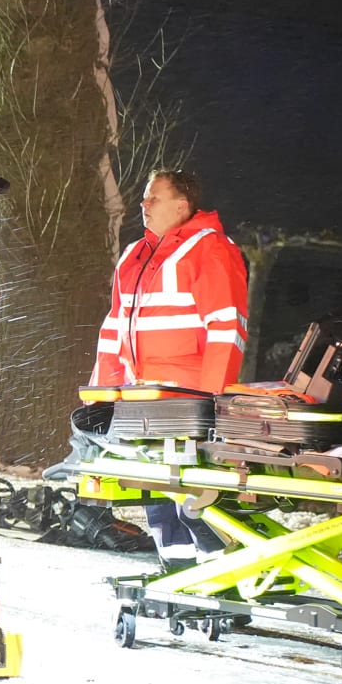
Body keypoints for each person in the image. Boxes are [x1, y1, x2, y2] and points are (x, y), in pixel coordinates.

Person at [90, 168, 248, 568]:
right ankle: (177, 576)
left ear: (182, 205)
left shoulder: (210, 248)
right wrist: (103, 394)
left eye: (154, 197)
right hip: (143, 397)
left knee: (190, 495)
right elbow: (113, 329)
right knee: (157, 494)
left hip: (187, 399)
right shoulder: (134, 255)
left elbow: (227, 328)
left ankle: (219, 576)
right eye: (144, 198)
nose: (144, 205)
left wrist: (212, 400)